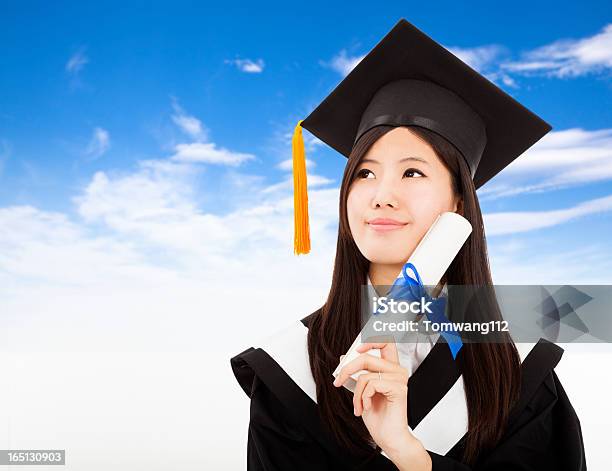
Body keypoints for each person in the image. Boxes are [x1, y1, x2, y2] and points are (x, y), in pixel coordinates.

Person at [230, 18, 586, 470]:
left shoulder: (516, 368)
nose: (381, 194)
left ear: (459, 199)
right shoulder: (291, 369)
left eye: (412, 172)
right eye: (365, 173)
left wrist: (409, 454)